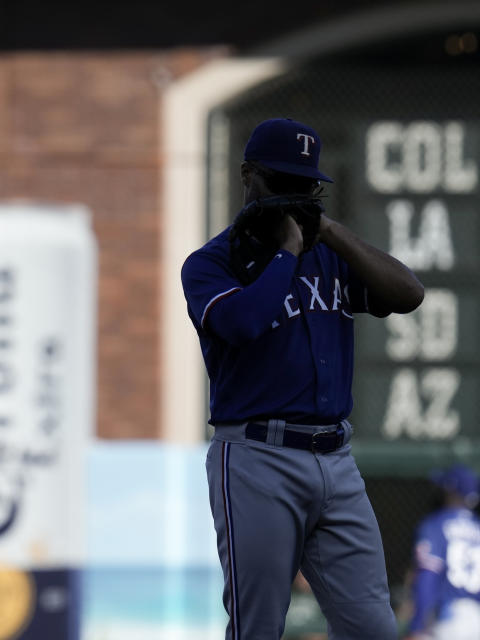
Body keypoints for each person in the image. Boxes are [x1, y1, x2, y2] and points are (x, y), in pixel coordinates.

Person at [181, 117, 425, 639]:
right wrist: (288, 250)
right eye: (282, 183)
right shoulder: (211, 262)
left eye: (306, 187)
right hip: (256, 458)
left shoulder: (328, 254)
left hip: (336, 461)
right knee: (260, 627)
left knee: (374, 629)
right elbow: (244, 323)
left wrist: (331, 231)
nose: (294, 198)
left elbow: (408, 293)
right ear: (249, 175)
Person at [405, 465, 480, 640]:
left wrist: (418, 625)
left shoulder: (436, 524)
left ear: (451, 492)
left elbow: (427, 577)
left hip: (450, 620)